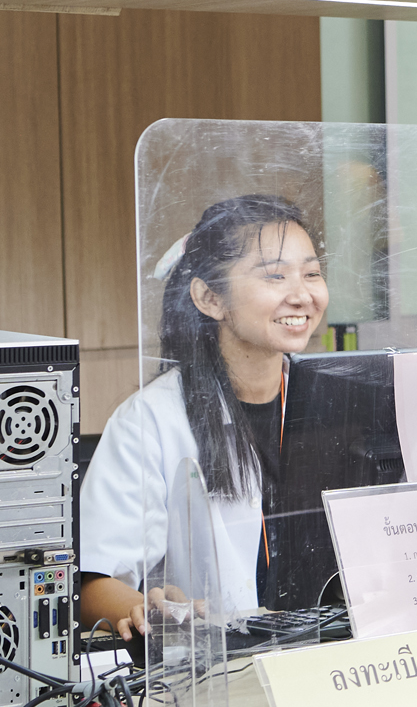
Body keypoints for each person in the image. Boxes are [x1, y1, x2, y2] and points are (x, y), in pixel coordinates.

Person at [78, 195, 329, 640]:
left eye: (311, 273)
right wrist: (145, 607)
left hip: (336, 657)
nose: (302, 294)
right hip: (218, 676)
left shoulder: (337, 401)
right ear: (209, 297)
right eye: (275, 275)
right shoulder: (150, 420)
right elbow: (93, 585)